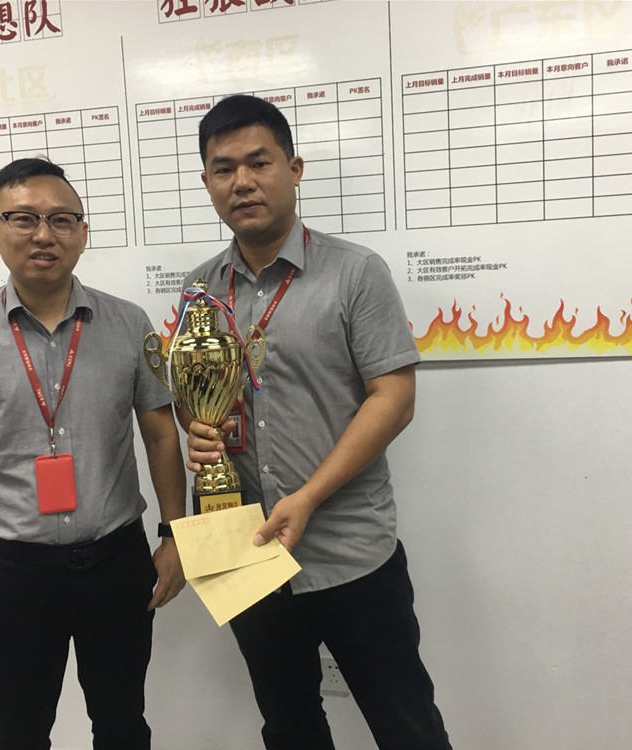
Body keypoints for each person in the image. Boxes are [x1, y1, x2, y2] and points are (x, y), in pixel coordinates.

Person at [180, 95, 453, 749]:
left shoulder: (355, 272)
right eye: (224, 169)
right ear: (207, 182)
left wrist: (307, 497)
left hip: (349, 549)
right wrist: (199, 430)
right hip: (242, 546)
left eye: (259, 162)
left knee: (406, 724)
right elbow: (198, 395)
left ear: (294, 169)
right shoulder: (199, 289)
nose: (242, 182)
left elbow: (394, 398)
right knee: (288, 725)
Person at [0, 157, 186, 750]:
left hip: (116, 563)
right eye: (24, 219)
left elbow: (162, 434)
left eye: (62, 220)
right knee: (21, 730)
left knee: (123, 723)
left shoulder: (129, 323)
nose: (44, 234)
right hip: (14, 572)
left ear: (83, 233)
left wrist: (175, 535)